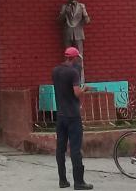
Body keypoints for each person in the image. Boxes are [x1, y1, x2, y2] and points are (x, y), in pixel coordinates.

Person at [52, 47, 95, 190]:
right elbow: (76, 93)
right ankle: (79, 182)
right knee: (75, 149)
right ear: (75, 58)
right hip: (73, 116)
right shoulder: (73, 72)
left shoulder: (56, 70)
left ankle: (62, 180)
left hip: (61, 115)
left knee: (60, 149)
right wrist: (85, 89)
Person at [58, 0, 90, 84]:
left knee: (80, 56)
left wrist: (85, 14)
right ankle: (69, 80)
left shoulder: (81, 6)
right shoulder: (64, 7)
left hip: (78, 33)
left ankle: (81, 80)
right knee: (68, 56)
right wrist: (63, 12)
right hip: (68, 33)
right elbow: (59, 20)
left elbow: (87, 20)